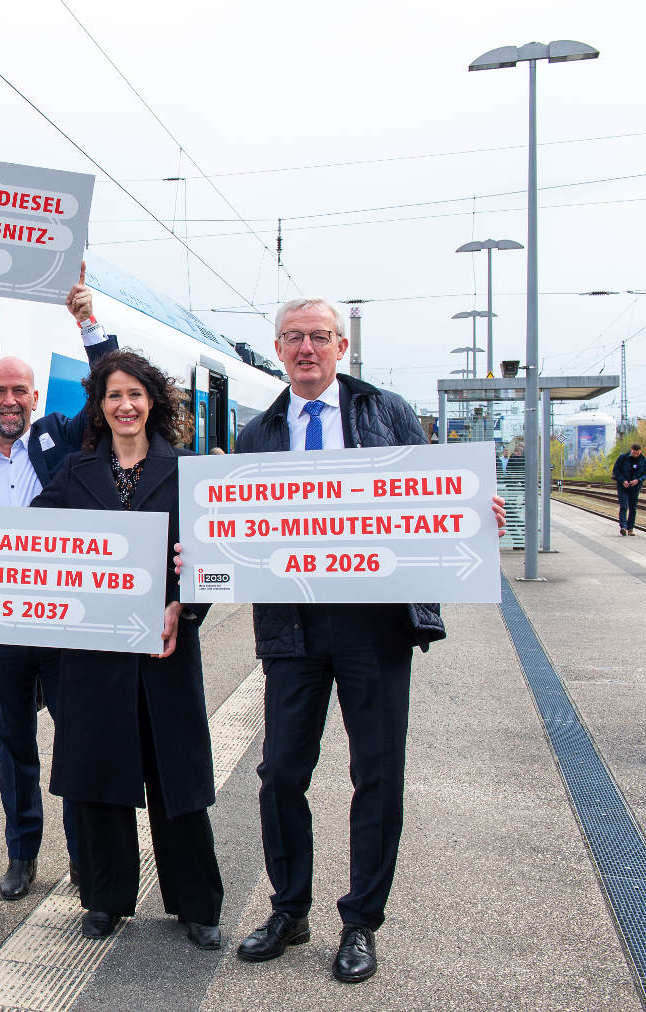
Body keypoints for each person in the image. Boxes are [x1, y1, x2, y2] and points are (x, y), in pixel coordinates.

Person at [227, 296, 466, 983]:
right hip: (292, 626)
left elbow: (434, 493)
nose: (307, 348)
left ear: (341, 348)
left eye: (320, 338)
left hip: (374, 623)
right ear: (278, 349)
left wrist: (474, 507)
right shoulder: (258, 434)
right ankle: (289, 909)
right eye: (295, 338)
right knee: (279, 777)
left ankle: (361, 922)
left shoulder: (382, 412)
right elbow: (242, 532)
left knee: (377, 774)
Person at [31, 350, 225, 950]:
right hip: (94, 655)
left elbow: (215, 559)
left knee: (177, 779)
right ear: (101, 405)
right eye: (114, 396)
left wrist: (184, 607)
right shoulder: (74, 473)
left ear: (153, 402)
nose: (125, 406)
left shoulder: (189, 472)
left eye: (135, 395)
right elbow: (30, 542)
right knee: (99, 776)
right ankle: (106, 900)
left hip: (167, 650)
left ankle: (196, 906)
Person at [0, 264, 116, 900]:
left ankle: (80, 858)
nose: (10, 400)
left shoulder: (61, 442)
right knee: (14, 746)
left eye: (21, 391)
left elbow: (108, 393)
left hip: (62, 626)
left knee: (72, 744)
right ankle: (22, 855)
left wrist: (86, 320)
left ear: (36, 399)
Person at [612, 443, 646, 535]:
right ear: (631, 450)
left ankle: (630, 528)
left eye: (637, 453)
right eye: (634, 453)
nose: (636, 455)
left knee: (633, 508)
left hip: (635, 487)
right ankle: (623, 527)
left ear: (640, 451)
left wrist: (638, 480)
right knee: (624, 506)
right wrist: (623, 480)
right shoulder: (623, 458)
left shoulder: (643, 460)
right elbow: (616, 471)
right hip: (623, 487)